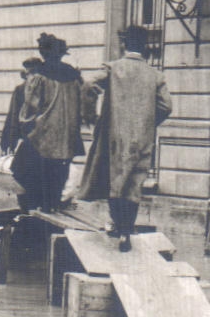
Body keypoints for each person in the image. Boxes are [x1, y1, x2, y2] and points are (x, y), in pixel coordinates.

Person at [78, 26, 172, 251]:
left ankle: (118, 227)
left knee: (115, 181)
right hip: (142, 136)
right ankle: (127, 230)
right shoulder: (155, 75)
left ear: (124, 44)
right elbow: (166, 106)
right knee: (134, 183)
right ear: (145, 47)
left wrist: (91, 115)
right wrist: (148, 121)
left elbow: (89, 84)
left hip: (115, 134)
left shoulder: (113, 68)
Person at [13, 33, 83, 212]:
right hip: (66, 140)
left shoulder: (40, 76)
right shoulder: (74, 77)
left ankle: (34, 216)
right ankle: (49, 211)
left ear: (43, 53)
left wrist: (26, 128)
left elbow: (30, 108)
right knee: (56, 184)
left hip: (43, 138)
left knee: (24, 173)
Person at [0, 58, 41, 156]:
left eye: (35, 73)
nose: (33, 77)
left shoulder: (46, 90)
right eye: (30, 73)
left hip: (42, 141)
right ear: (26, 75)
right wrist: (7, 143)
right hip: (24, 139)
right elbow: (12, 116)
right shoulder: (20, 90)